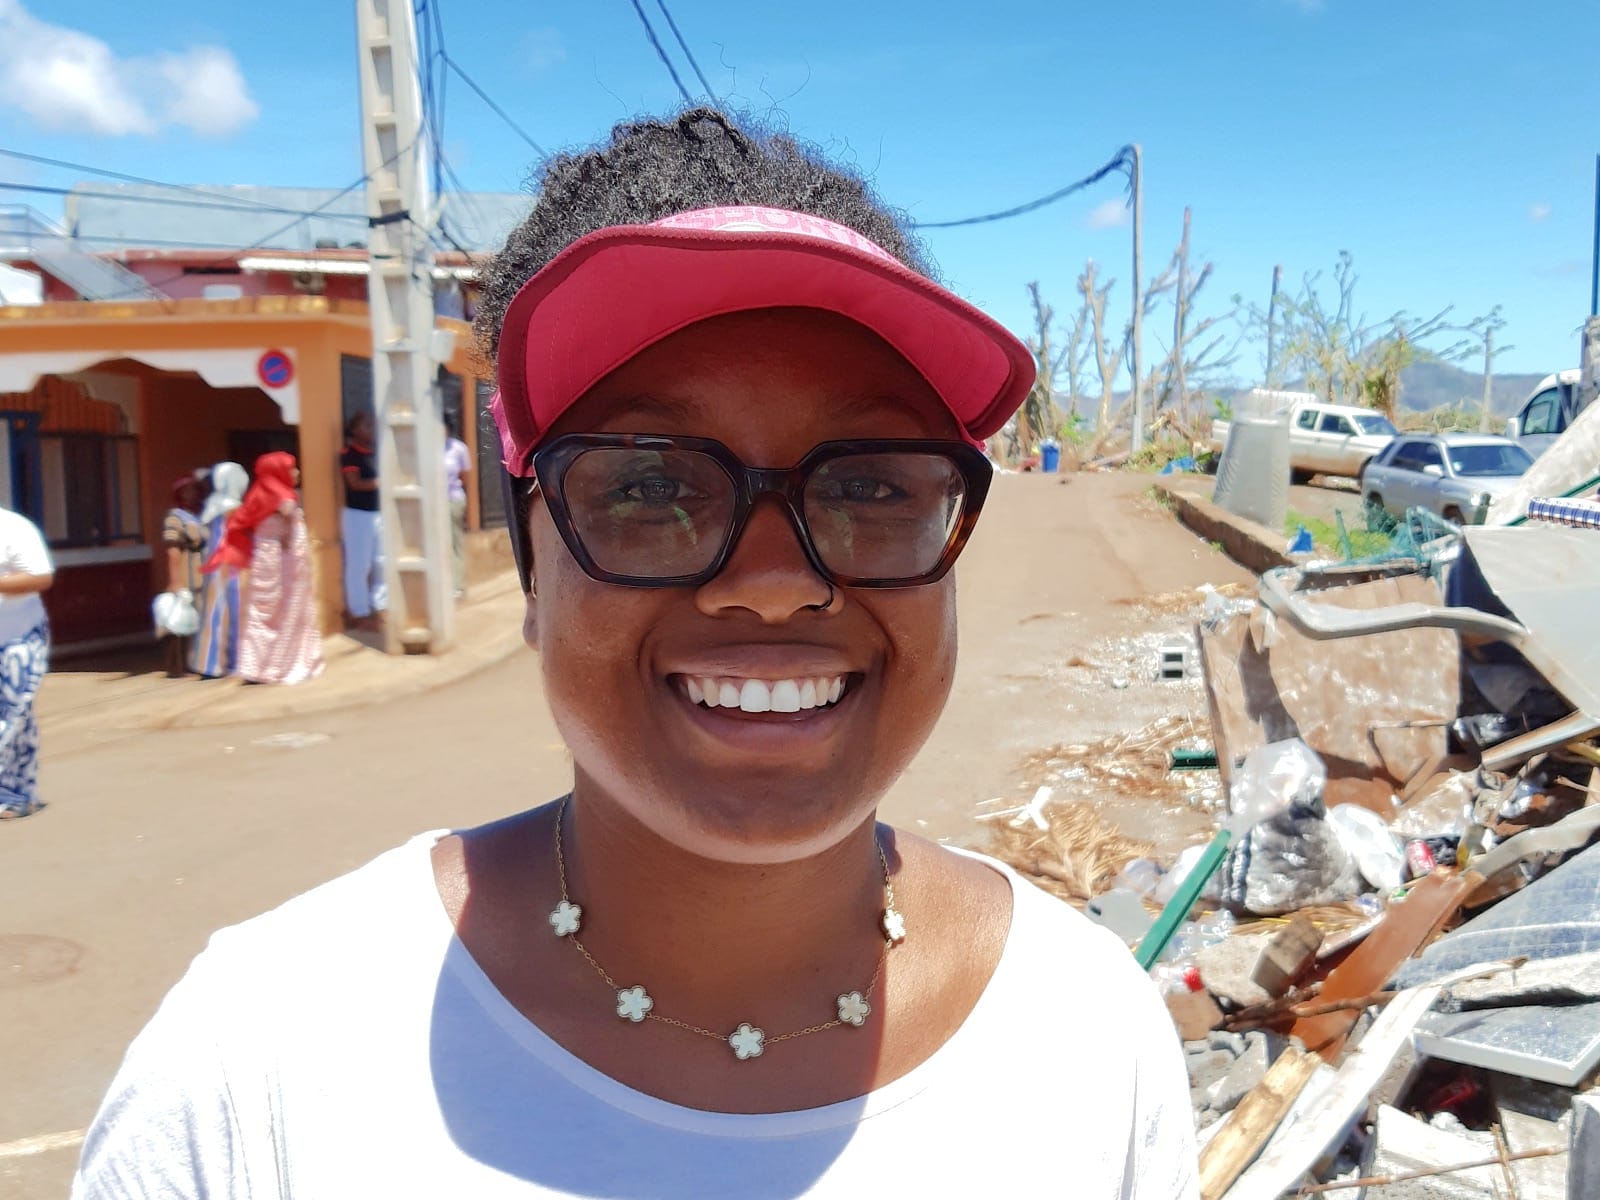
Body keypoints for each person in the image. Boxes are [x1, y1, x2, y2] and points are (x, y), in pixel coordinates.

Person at [74, 110, 1198, 1197]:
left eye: (866, 483)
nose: (772, 584)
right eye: (651, 486)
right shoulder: (259, 1065)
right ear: (531, 568)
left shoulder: (1089, 1037)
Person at [204, 452, 323, 687]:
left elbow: (247, 524)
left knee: (261, 613)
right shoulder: (282, 494)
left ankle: (255, 667)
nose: (296, 473)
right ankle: (284, 664)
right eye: (291, 468)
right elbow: (288, 526)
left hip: (264, 559)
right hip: (284, 563)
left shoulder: (258, 493)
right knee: (288, 611)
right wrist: (285, 538)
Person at [0, 505, 52, 820]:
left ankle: (13, 793)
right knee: (15, 719)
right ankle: (18, 791)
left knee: (12, 713)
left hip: (19, 639)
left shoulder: (14, 528)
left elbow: (41, 576)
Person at [192, 462, 248, 678]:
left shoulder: (212, 505)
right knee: (232, 613)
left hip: (214, 565)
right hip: (231, 565)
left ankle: (209, 663)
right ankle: (231, 661)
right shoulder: (232, 507)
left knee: (213, 613)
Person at [340, 411, 385, 631]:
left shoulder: (376, 453)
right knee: (360, 565)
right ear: (354, 430)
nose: (371, 429)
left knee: (381, 562)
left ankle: (379, 606)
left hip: (378, 513)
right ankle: (359, 612)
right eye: (366, 425)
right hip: (358, 515)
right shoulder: (350, 454)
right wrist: (381, 482)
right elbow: (354, 483)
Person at [158, 475, 207, 678]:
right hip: (187, 573)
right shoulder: (175, 517)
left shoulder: (199, 516)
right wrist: (175, 581)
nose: (192, 495)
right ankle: (178, 666)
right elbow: (173, 550)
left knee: (200, 618)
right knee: (183, 620)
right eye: (187, 491)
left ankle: (197, 661)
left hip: (204, 573)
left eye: (195, 490)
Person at [444, 419, 472, 598]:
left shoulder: (458, 448)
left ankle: (457, 586)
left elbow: (465, 475)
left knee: (454, 542)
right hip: (432, 504)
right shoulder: (425, 447)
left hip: (452, 500)